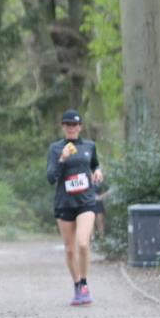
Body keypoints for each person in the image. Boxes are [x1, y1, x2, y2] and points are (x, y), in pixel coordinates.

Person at [46, 109, 103, 306]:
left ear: (80, 127)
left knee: (83, 243)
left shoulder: (89, 146)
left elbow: (95, 164)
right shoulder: (55, 148)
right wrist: (62, 159)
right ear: (63, 127)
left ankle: (85, 283)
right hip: (64, 203)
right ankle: (77, 284)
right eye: (67, 125)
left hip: (86, 202)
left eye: (75, 125)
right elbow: (51, 178)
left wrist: (97, 171)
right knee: (70, 250)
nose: (71, 128)